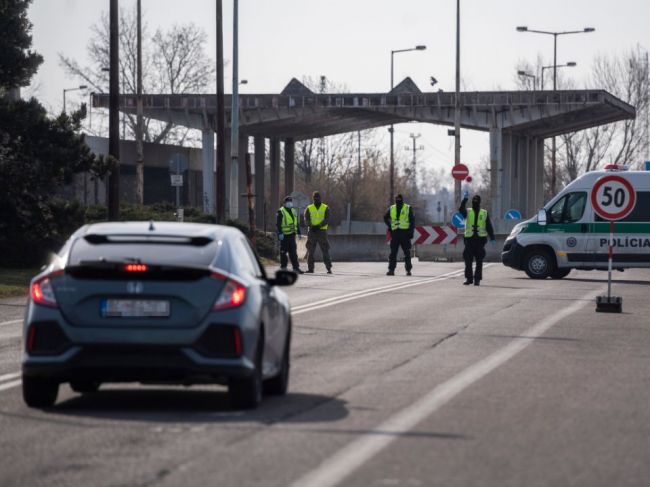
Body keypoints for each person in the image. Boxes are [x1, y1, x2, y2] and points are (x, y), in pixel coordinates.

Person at [459, 192, 496, 286]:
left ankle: (477, 279)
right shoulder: (468, 211)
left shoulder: (484, 213)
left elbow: (488, 226)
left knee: (479, 261)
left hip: (480, 240)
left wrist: (492, 237)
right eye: (473, 201)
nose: (475, 202)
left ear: (479, 202)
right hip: (469, 240)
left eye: (476, 201)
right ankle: (469, 279)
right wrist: (464, 200)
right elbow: (460, 210)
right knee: (468, 261)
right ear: (471, 202)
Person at [384, 193, 415, 276]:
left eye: (399, 198)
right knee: (393, 253)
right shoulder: (392, 208)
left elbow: (412, 221)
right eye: (397, 199)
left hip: (404, 233)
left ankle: (408, 270)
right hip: (395, 234)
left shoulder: (407, 208)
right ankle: (391, 270)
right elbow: (385, 217)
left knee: (406, 252)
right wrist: (390, 226)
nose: (398, 200)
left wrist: (411, 232)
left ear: (401, 199)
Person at [304, 191, 332, 274]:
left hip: (321, 231)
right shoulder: (309, 208)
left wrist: (319, 225)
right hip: (312, 231)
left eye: (317, 197)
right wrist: (311, 226)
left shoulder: (325, 207)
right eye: (315, 197)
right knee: (310, 250)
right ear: (313, 198)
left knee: (325, 250)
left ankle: (329, 268)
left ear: (320, 198)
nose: (316, 198)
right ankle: (310, 268)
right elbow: (306, 219)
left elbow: (327, 219)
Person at [276, 195, 304, 274]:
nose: (290, 203)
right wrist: (280, 233)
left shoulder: (293, 211)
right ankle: (283, 268)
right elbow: (278, 224)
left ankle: (296, 268)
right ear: (284, 203)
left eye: (290, 202)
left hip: (292, 235)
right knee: (283, 252)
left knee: (293, 252)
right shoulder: (281, 211)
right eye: (288, 202)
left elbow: (296, 223)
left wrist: (298, 232)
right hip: (284, 236)